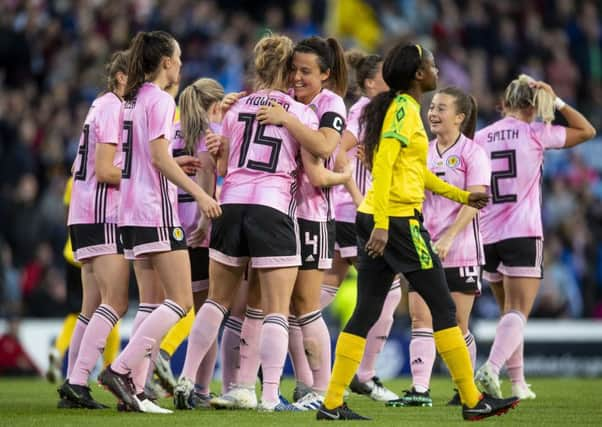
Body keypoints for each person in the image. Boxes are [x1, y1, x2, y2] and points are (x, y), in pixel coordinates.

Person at [316, 43, 519, 421]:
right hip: (394, 221)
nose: (437, 69)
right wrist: (380, 224)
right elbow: (388, 160)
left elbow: (414, 172)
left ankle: (331, 404)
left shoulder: (400, 108)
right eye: (431, 64)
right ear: (418, 74)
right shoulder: (406, 109)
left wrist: (461, 195)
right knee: (442, 307)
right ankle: (473, 401)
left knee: (366, 311)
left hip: (379, 216)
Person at [173, 33, 329, 413]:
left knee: (217, 302)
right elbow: (317, 160)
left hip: (232, 205)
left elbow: (224, 167)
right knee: (277, 308)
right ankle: (272, 396)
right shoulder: (299, 113)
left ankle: (188, 380)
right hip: (272, 208)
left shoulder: (235, 107)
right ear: (287, 67)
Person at [98, 30, 221, 413]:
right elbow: (159, 159)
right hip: (156, 210)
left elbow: (148, 157)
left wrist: (172, 162)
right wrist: (200, 193)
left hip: (130, 211)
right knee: (182, 301)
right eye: (179, 58)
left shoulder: (132, 100)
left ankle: (134, 388)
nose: (182, 65)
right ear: (166, 62)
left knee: (151, 303)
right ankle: (120, 370)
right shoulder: (162, 101)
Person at [473, 75, 596, 400]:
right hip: (522, 232)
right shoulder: (536, 132)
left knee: (508, 316)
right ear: (531, 105)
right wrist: (555, 101)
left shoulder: (481, 136)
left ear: (506, 102)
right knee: (519, 313)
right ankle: (492, 368)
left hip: (487, 235)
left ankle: (518, 383)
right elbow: (587, 131)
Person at [254, 35, 351, 410]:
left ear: (325, 75)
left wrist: (288, 119)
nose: (296, 77)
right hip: (279, 214)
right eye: (293, 69)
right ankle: (305, 385)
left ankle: (323, 390)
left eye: (306, 72)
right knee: (285, 307)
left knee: (306, 305)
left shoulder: (331, 103)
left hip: (312, 217)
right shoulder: (288, 101)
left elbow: (326, 147)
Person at [388, 86, 490, 408]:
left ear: (460, 117)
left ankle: (465, 388)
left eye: (441, 108)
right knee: (421, 320)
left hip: (461, 250)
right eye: (431, 107)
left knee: (456, 326)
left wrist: (448, 237)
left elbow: (476, 200)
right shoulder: (423, 151)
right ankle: (420, 390)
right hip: (423, 247)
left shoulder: (473, 153)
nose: (432, 112)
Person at [324, 50, 401, 403]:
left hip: (341, 212)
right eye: (387, 76)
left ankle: (306, 373)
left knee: (321, 290)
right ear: (371, 82)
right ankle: (364, 374)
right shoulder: (363, 110)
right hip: (353, 212)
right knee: (390, 287)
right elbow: (339, 153)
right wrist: (358, 196)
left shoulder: (372, 111)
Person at [56, 51, 130, 410]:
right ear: (119, 78)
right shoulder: (114, 108)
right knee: (115, 301)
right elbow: (105, 170)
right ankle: (76, 381)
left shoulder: (98, 107)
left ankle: (73, 384)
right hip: (102, 214)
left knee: (91, 306)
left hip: (83, 213)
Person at [171, 77, 225, 409]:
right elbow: (206, 175)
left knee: (173, 307)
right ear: (215, 104)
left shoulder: (173, 128)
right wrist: (206, 220)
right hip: (199, 227)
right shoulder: (208, 132)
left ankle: (149, 377)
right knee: (209, 312)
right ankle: (201, 390)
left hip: (172, 225)